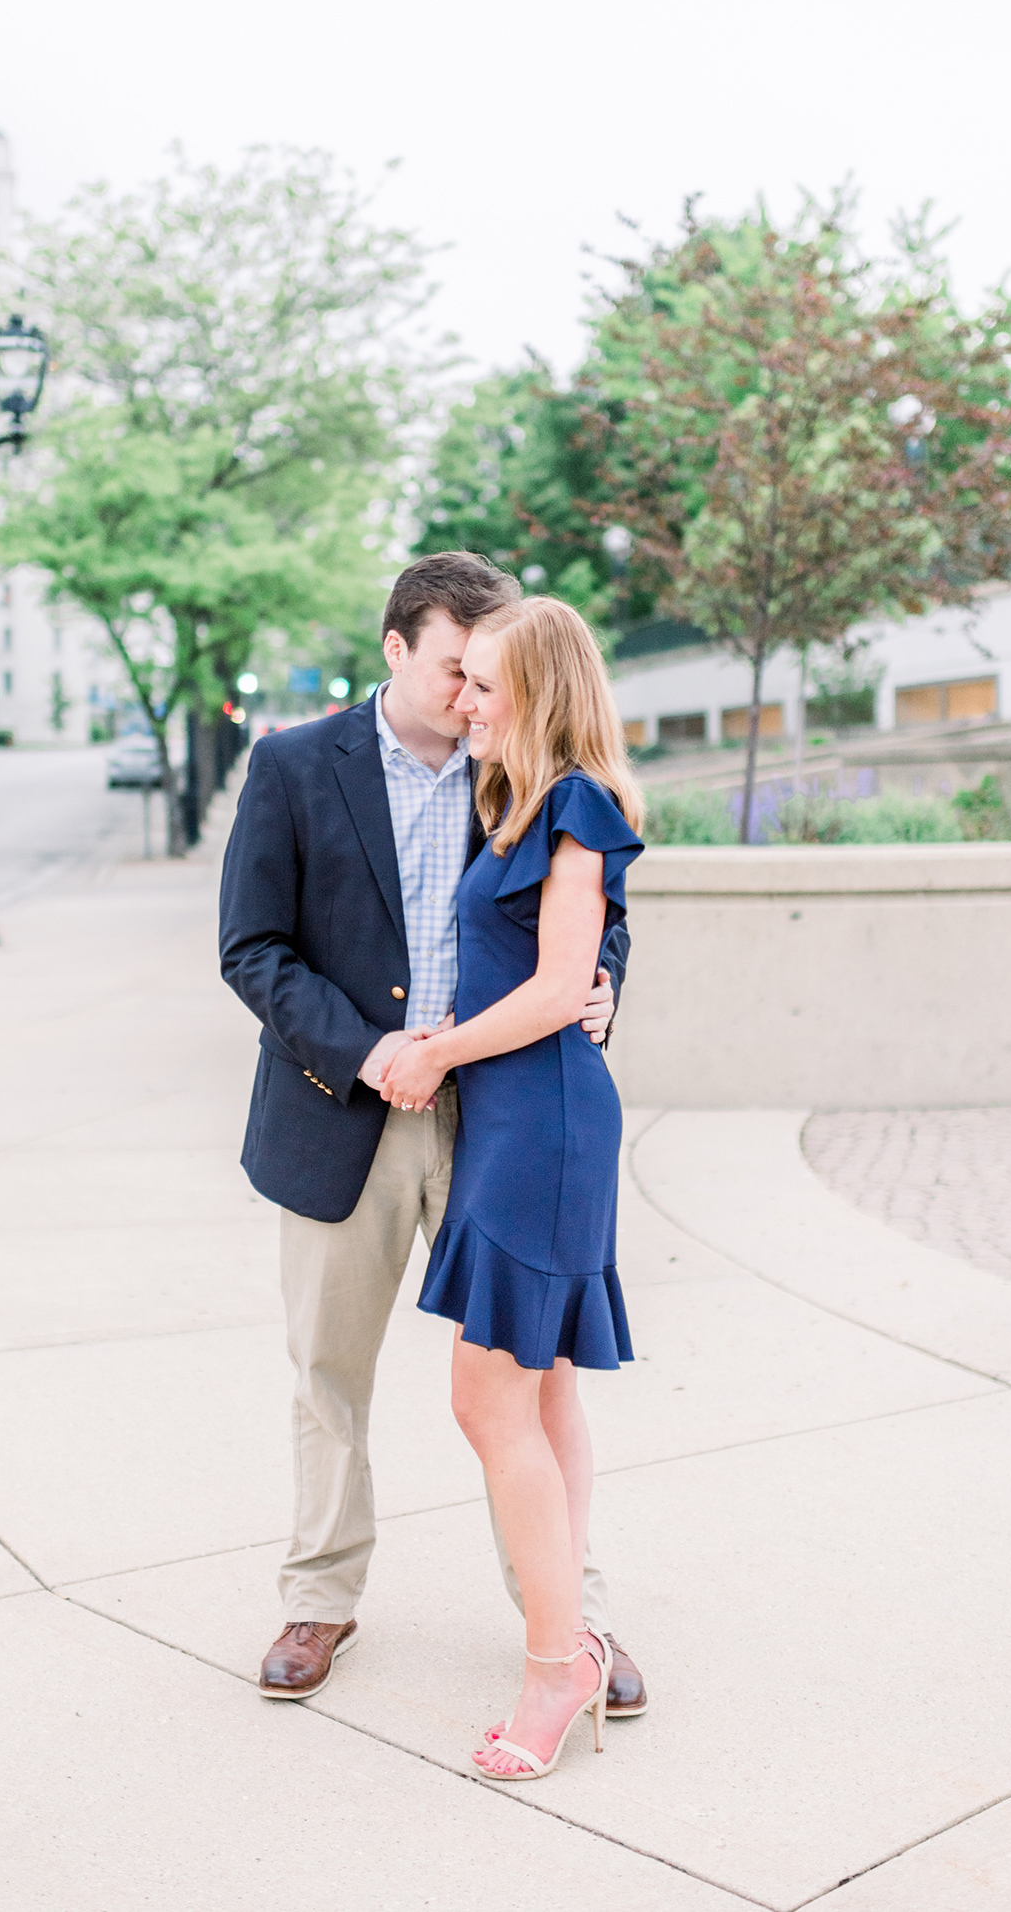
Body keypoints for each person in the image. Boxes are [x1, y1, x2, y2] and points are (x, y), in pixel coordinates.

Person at [219, 554, 647, 1717]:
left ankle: (570, 1620)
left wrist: (598, 985)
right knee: (328, 1373)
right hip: (338, 1112)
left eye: (486, 676)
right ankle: (319, 1597)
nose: (471, 697)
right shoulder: (295, 765)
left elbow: (594, 907)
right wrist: (370, 1052)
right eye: (455, 670)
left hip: (498, 1120)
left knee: (532, 1377)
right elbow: (252, 950)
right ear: (396, 648)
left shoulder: (519, 759)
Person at [379, 595, 644, 1781]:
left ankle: (555, 1666)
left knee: (489, 1405)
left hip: (541, 1127)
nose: (464, 701)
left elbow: (554, 988)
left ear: (535, 691)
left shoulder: (577, 802)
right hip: (516, 1120)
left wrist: (434, 1051)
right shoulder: (519, 805)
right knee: (536, 1401)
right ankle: (571, 1637)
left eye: (483, 684)